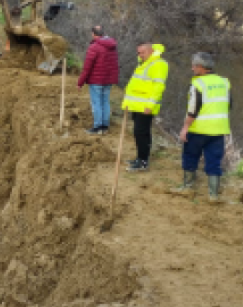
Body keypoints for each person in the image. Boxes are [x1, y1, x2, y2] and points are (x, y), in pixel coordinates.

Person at [172, 52, 232, 202]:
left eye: (193, 66)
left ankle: (188, 187)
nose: (192, 69)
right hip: (219, 129)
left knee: (190, 156)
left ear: (200, 67)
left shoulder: (198, 84)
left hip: (198, 129)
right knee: (214, 161)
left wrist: (185, 128)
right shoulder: (224, 82)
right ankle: (213, 195)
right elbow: (229, 105)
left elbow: (193, 110)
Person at [121, 42, 168, 172]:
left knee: (141, 132)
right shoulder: (143, 63)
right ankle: (140, 158)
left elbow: (158, 87)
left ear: (151, 51)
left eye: (143, 52)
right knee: (140, 132)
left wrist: (150, 105)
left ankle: (143, 161)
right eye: (139, 52)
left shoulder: (159, 64)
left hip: (145, 106)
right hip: (137, 105)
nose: (140, 55)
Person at [77, 25, 119, 134]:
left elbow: (87, 67)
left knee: (96, 103)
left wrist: (80, 82)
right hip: (108, 80)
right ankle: (105, 126)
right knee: (105, 102)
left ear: (93, 34)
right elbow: (114, 65)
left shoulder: (94, 47)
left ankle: (97, 127)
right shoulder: (112, 46)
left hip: (96, 80)